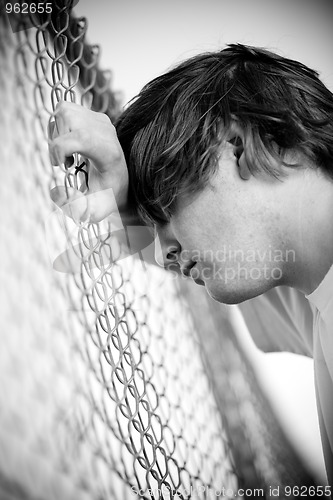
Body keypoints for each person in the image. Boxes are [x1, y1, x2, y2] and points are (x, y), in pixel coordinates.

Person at [48, 44, 333, 487]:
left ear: (240, 146)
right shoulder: (312, 287)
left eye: (164, 208)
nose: (162, 254)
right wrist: (126, 202)